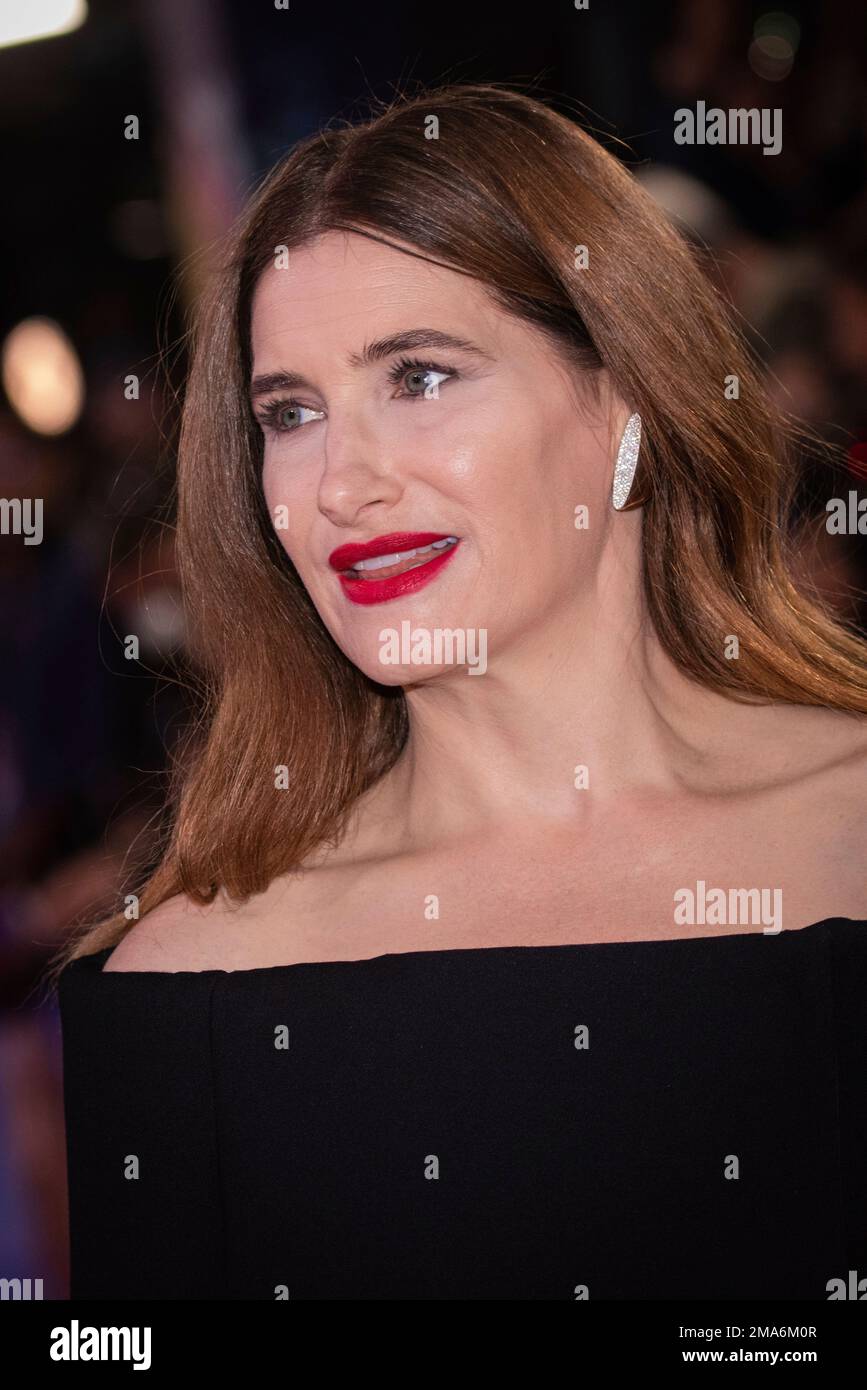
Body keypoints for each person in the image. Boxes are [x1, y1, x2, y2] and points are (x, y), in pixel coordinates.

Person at [53, 83, 867, 1300]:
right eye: (291, 412)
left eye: (421, 377)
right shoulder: (193, 989)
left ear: (627, 405)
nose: (342, 481)